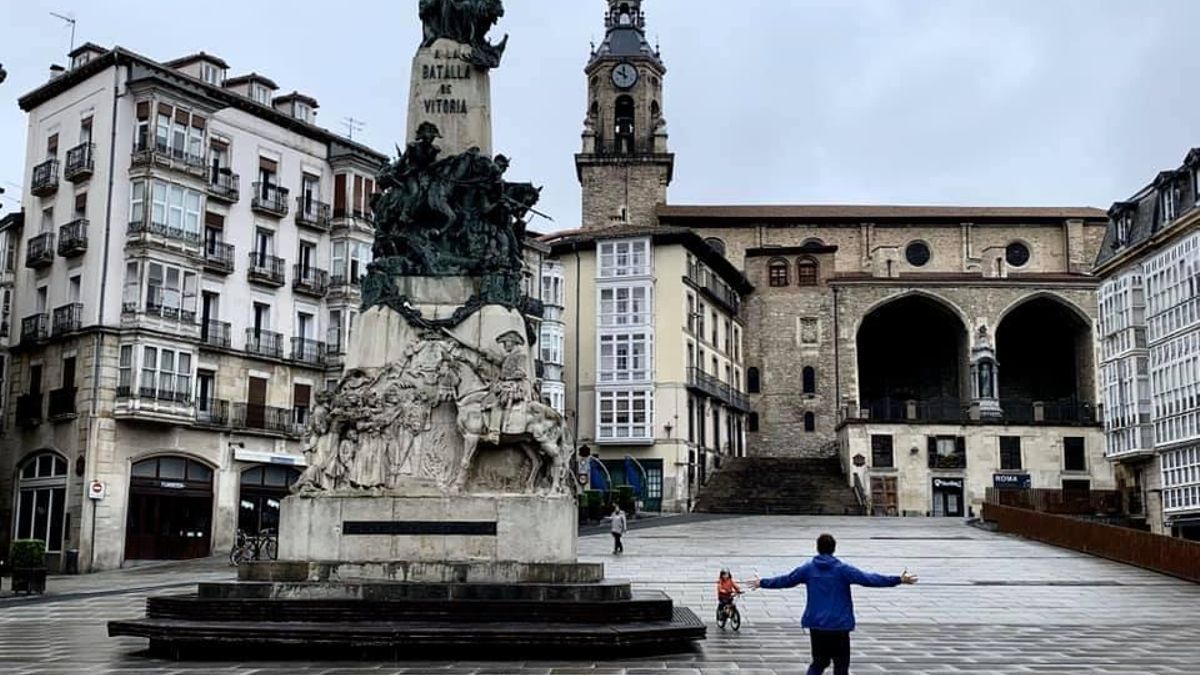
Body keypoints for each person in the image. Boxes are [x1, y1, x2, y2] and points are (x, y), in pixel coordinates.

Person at [750, 533, 918, 675]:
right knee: (841, 666)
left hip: (817, 624)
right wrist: (898, 579)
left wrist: (762, 582)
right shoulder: (843, 569)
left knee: (819, 663)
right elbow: (869, 579)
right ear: (834, 548)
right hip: (838, 625)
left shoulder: (808, 569)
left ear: (817, 548)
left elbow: (786, 580)